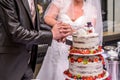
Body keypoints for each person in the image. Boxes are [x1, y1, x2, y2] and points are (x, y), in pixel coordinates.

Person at [0, 0, 72, 80]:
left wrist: (58, 32)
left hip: (27, 63)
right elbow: (16, 32)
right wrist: (51, 35)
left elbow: (34, 25)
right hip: (10, 62)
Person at [36, 0, 98, 80]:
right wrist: (62, 26)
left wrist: (74, 31)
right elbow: (48, 18)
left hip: (77, 50)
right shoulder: (61, 1)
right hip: (58, 48)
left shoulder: (91, 9)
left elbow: (90, 31)